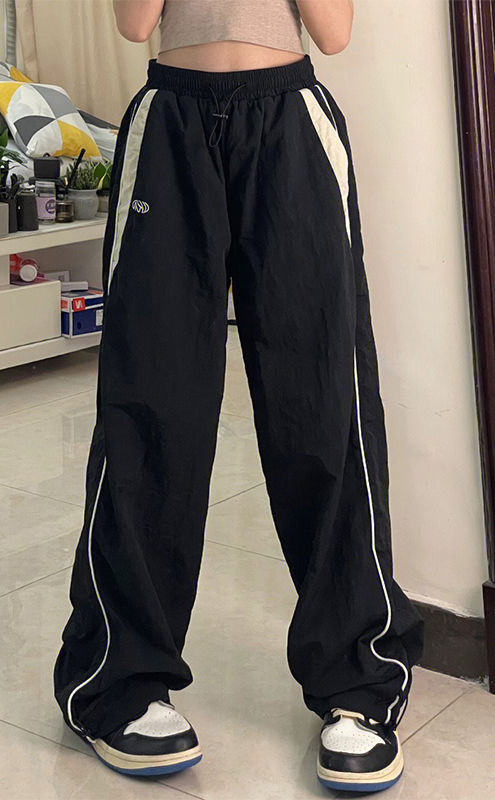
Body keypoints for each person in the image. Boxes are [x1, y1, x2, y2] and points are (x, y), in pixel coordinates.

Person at [53, 0, 425, 792]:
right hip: (169, 124)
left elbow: (333, 33)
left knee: (323, 407)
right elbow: (135, 23)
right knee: (148, 405)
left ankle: (357, 684)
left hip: (289, 120)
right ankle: (120, 682)